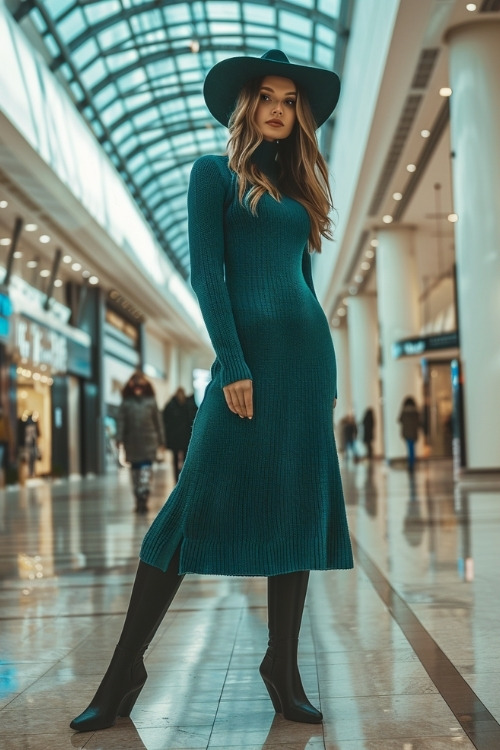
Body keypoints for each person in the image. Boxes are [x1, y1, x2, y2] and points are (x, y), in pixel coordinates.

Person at [70, 49, 353, 733]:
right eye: (267, 98)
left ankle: (282, 667)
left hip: (304, 363)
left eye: (290, 100)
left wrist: (329, 378)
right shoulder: (212, 174)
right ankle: (123, 671)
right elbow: (209, 279)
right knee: (189, 509)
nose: (280, 109)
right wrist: (232, 365)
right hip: (249, 364)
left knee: (296, 511)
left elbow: (303, 287)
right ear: (246, 107)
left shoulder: (296, 192)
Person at [116, 372, 164, 514]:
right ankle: (138, 496)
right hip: (132, 441)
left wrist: (162, 440)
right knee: (135, 471)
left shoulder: (151, 402)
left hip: (149, 440)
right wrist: (119, 438)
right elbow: (121, 422)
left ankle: (144, 494)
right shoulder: (126, 403)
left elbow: (158, 423)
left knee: (146, 471)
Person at [162, 387, 198, 482]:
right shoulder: (189, 404)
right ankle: (182, 478)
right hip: (185, 437)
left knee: (176, 459)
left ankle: (177, 479)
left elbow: (165, 421)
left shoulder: (171, 405)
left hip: (175, 437)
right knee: (185, 458)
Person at [398, 396, 421, 473]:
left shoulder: (404, 411)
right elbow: (419, 422)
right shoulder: (416, 412)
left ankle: (410, 465)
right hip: (413, 432)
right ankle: (412, 464)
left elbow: (399, 420)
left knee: (409, 448)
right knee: (412, 448)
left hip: (407, 433)